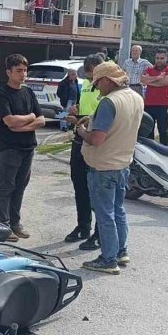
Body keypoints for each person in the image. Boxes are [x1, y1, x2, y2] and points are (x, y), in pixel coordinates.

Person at [76, 62, 144, 274]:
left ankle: (108, 259)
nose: (97, 88)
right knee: (118, 211)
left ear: (107, 80)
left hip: (104, 165)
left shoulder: (109, 102)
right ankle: (121, 251)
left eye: (97, 84)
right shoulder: (136, 97)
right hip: (123, 163)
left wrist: (81, 131)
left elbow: (97, 139)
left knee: (105, 214)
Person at [0, 54, 45, 242]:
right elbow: (9, 120)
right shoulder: (2, 94)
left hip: (27, 148)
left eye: (25, 70)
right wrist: (29, 117)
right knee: (7, 187)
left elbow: (41, 119)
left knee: (20, 187)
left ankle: (15, 223)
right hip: (9, 148)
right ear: (9, 72)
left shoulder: (29, 92)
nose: (23, 74)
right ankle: (3, 226)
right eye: (19, 71)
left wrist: (23, 125)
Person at [63, 54, 105, 250]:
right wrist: (76, 109)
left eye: (91, 76)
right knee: (79, 184)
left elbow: (104, 117)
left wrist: (80, 119)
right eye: (87, 77)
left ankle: (100, 232)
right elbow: (86, 106)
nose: (89, 80)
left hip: (96, 140)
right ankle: (83, 226)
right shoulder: (88, 84)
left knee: (96, 189)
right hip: (80, 138)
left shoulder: (108, 87)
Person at [141, 50, 168, 146]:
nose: (159, 60)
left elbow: (165, 82)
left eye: (162, 58)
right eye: (157, 58)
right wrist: (158, 78)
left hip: (163, 105)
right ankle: (150, 152)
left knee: (163, 131)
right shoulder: (150, 69)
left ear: (166, 58)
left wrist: (150, 82)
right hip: (148, 104)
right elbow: (143, 80)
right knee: (148, 131)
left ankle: (164, 152)